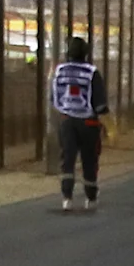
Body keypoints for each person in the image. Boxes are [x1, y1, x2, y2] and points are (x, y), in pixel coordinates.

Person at [51, 37, 107, 211]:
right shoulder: (92, 72)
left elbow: (53, 97)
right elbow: (100, 104)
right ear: (86, 53)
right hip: (88, 122)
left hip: (67, 120)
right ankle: (90, 197)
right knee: (89, 160)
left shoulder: (59, 71)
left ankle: (67, 197)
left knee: (67, 159)